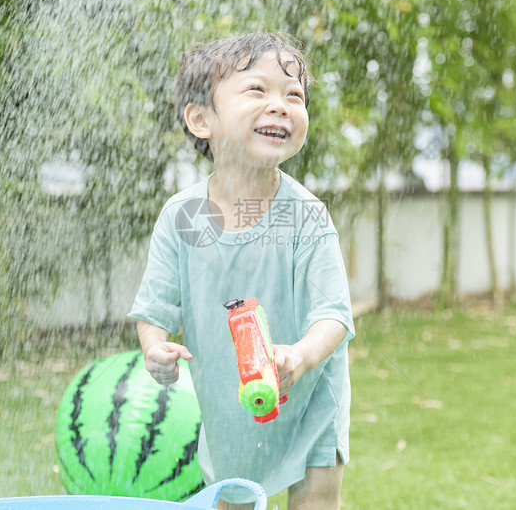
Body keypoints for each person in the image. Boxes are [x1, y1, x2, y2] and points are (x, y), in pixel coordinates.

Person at [129, 32, 353, 510]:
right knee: (231, 497)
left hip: (309, 391)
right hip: (229, 400)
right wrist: (154, 347)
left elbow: (334, 314)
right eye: (258, 90)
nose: (281, 105)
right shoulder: (182, 216)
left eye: (294, 95)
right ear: (201, 118)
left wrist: (302, 357)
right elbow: (155, 306)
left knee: (315, 499)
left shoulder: (305, 216)